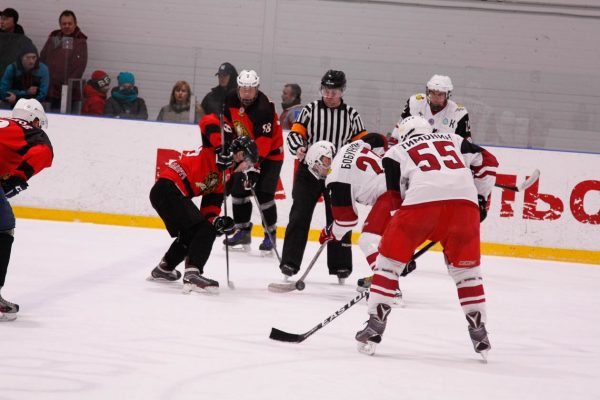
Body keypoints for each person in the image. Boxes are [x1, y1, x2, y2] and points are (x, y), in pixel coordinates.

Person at [354, 116, 499, 360]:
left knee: (387, 264)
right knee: (467, 273)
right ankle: (478, 328)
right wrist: (482, 200)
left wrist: (402, 247)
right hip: (465, 207)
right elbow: (488, 162)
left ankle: (376, 320)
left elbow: (394, 196)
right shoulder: (455, 139)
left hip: (420, 206)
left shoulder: (397, 151)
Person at [281, 69, 368, 282]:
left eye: (334, 91)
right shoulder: (310, 109)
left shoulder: (351, 115)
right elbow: (295, 134)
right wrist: (299, 148)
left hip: (338, 174)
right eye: (326, 90)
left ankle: (341, 266)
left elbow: (361, 144)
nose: (329, 95)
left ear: (342, 91)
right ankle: (290, 263)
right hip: (309, 171)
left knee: (340, 218)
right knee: (299, 215)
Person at [148, 129, 258, 294]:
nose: (246, 169)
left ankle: (165, 268)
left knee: (194, 232)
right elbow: (208, 122)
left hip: (171, 193)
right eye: (248, 163)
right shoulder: (215, 151)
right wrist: (221, 149)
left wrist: (218, 222)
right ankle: (193, 273)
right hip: (167, 188)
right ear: (240, 154)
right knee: (204, 229)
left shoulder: (226, 178)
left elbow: (209, 210)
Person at [319, 133, 406, 301]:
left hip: (392, 194)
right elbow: (379, 139)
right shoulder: (349, 147)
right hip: (406, 182)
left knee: (368, 240)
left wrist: (331, 232)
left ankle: (389, 288)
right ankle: (385, 276)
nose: (320, 172)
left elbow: (347, 220)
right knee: (384, 239)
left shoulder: (334, 178)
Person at [0, 99, 54, 321]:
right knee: (4, 227)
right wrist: (16, 180)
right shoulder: (31, 131)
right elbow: (44, 153)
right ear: (33, 119)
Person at [221, 69, 284, 254]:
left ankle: (270, 235)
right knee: (238, 192)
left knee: (264, 195)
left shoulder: (264, 107)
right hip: (244, 150)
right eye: (243, 88)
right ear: (238, 88)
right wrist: (228, 149)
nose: (246, 93)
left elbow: (264, 142)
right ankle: (243, 231)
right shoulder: (230, 99)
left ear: (257, 88)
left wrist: (253, 165)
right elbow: (225, 123)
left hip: (271, 154)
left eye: (251, 89)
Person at [391, 74, 471, 140]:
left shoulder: (459, 113)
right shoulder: (414, 103)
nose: (436, 98)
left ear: (448, 95)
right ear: (427, 92)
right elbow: (398, 131)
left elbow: (466, 145)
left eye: (440, 94)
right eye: (432, 93)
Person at [40, 10, 88, 112]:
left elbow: (79, 67)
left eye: (70, 23)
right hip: (49, 89)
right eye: (64, 23)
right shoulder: (54, 38)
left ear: (75, 24)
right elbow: (43, 57)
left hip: (67, 92)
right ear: (60, 25)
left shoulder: (80, 41)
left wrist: (67, 87)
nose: (67, 26)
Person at [0, 41, 49, 107]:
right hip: (12, 105)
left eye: (34, 57)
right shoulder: (12, 68)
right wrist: (26, 93)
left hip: (34, 107)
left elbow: (43, 95)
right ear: (21, 58)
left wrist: (18, 97)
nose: (31, 61)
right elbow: (3, 91)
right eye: (28, 57)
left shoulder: (43, 69)